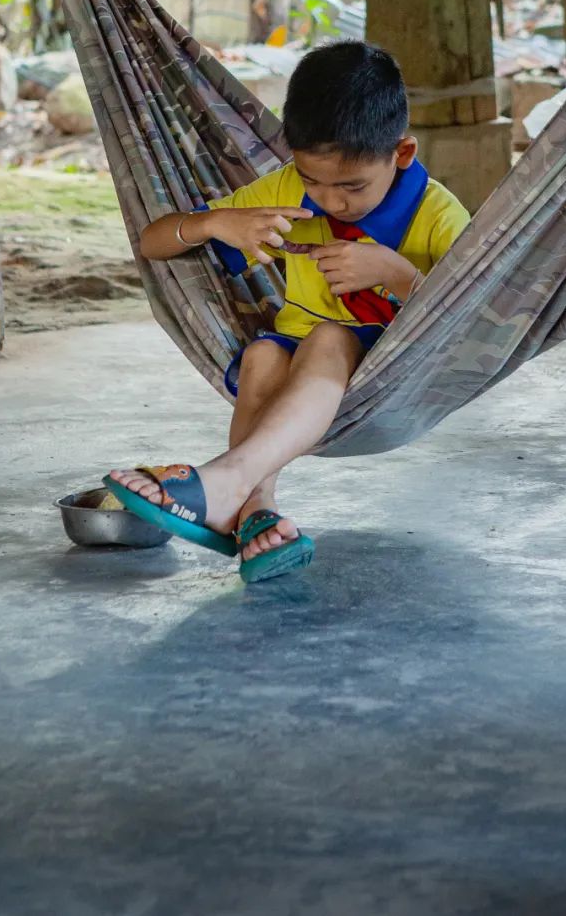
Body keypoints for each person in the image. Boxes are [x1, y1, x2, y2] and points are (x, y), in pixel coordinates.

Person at [104, 41, 470, 582]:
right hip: (297, 356)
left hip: (384, 364)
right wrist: (214, 224)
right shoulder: (287, 192)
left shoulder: (437, 214)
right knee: (261, 356)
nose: (329, 201)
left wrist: (394, 272)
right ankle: (255, 510)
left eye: (351, 186)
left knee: (326, 336)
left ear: (403, 154)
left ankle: (226, 481)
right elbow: (154, 243)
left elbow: (470, 320)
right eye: (312, 180)